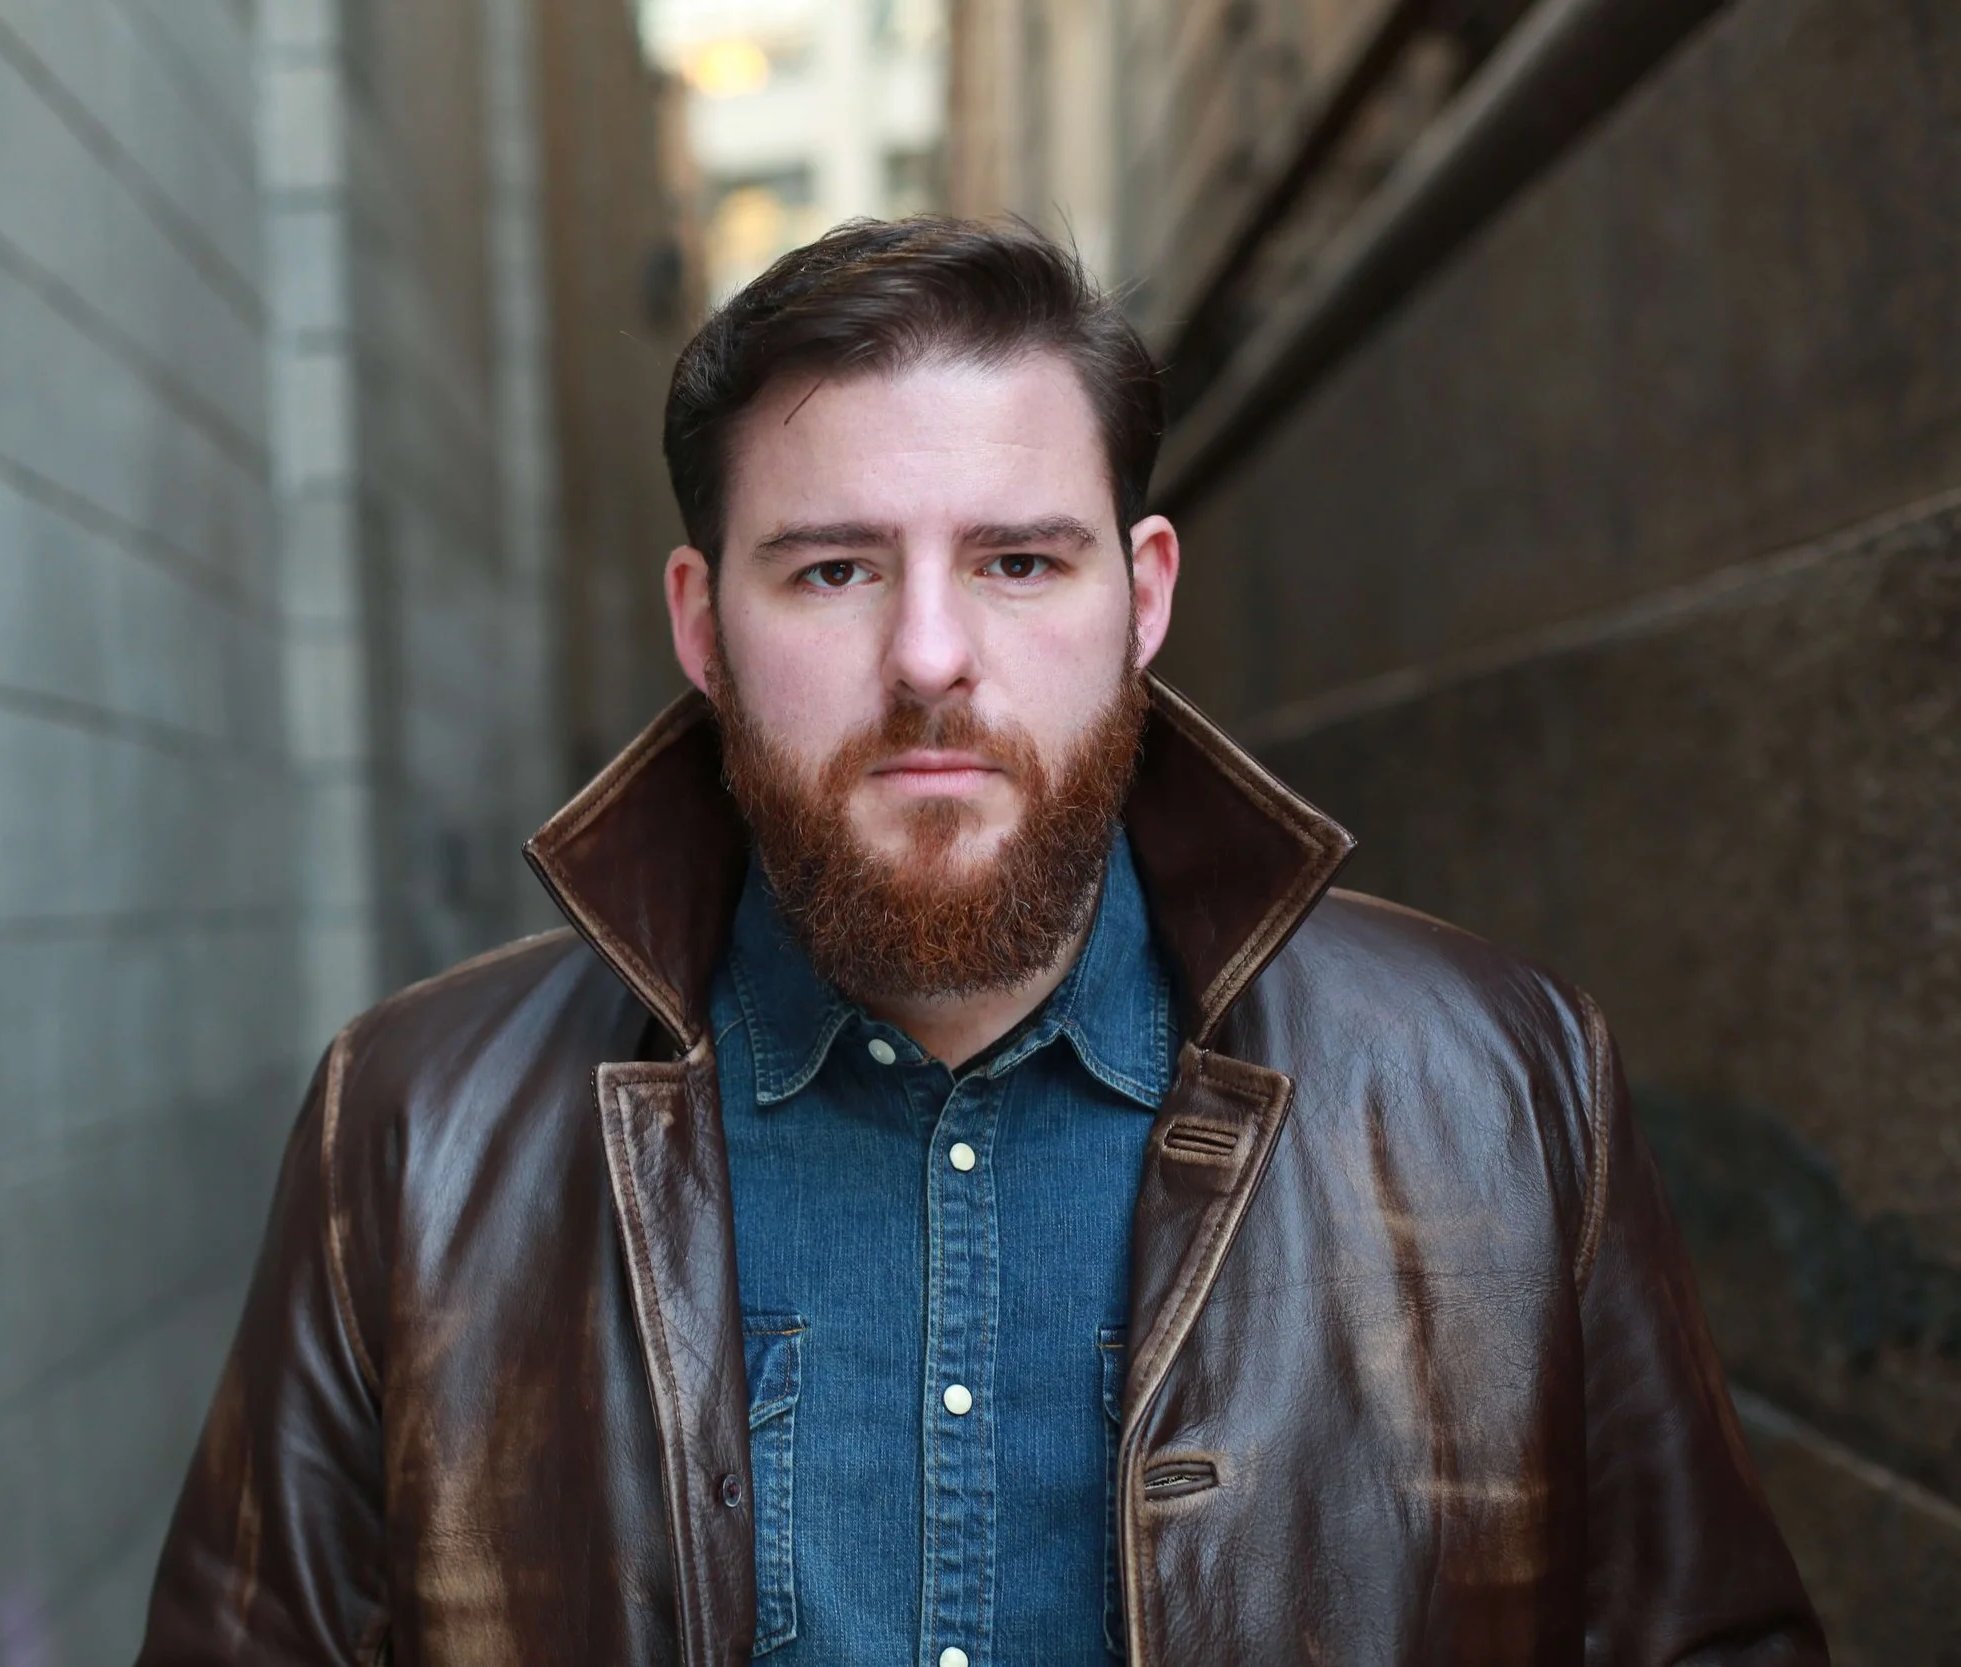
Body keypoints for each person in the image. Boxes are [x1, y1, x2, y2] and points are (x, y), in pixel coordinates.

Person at [136, 218, 1822, 1665]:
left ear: (1145, 596)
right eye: (833, 571)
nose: (931, 654)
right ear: (702, 624)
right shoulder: (417, 1129)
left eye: (1019, 560)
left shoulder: (1503, 1084)